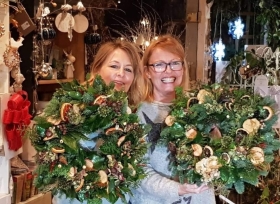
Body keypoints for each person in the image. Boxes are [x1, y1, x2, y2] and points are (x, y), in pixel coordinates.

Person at [52, 39, 144, 204]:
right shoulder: (76, 108)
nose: (121, 73)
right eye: (114, 66)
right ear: (97, 68)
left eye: (128, 69)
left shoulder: (129, 113)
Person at [129, 35, 216, 204]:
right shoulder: (137, 115)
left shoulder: (201, 108)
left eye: (175, 63)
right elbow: (138, 171)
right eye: (159, 65)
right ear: (147, 71)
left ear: (183, 68)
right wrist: (177, 189)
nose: (168, 71)